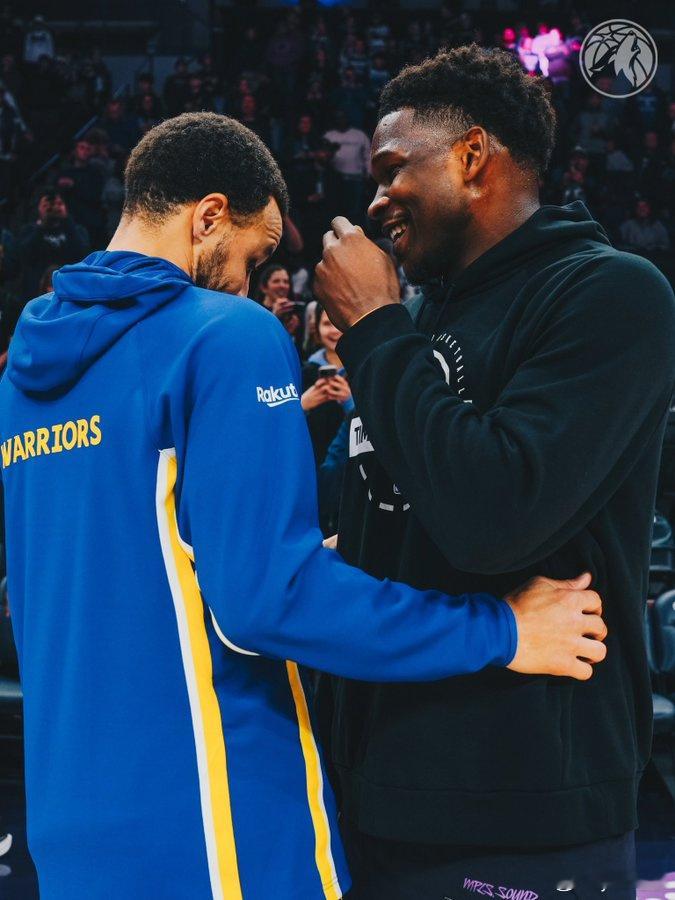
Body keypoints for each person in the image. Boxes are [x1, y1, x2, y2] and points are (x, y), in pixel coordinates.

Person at [0, 111, 605, 899]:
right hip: (214, 810)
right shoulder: (227, 334)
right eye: (252, 258)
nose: (250, 285)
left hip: (69, 822)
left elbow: (113, 571)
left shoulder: (26, 369)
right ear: (209, 216)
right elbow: (269, 602)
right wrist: (501, 630)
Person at [313, 46, 675, 900]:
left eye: (393, 169)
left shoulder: (610, 293)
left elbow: (494, 517)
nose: (375, 199)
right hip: (370, 791)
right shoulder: (418, 319)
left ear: (472, 156)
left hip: (520, 808)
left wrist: (372, 328)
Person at [302, 304, 352, 468]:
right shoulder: (305, 370)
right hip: (313, 458)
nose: (334, 330)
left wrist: (349, 402)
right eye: (327, 324)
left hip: (350, 461)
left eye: (339, 323)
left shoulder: (362, 367)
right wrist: (303, 405)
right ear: (316, 328)